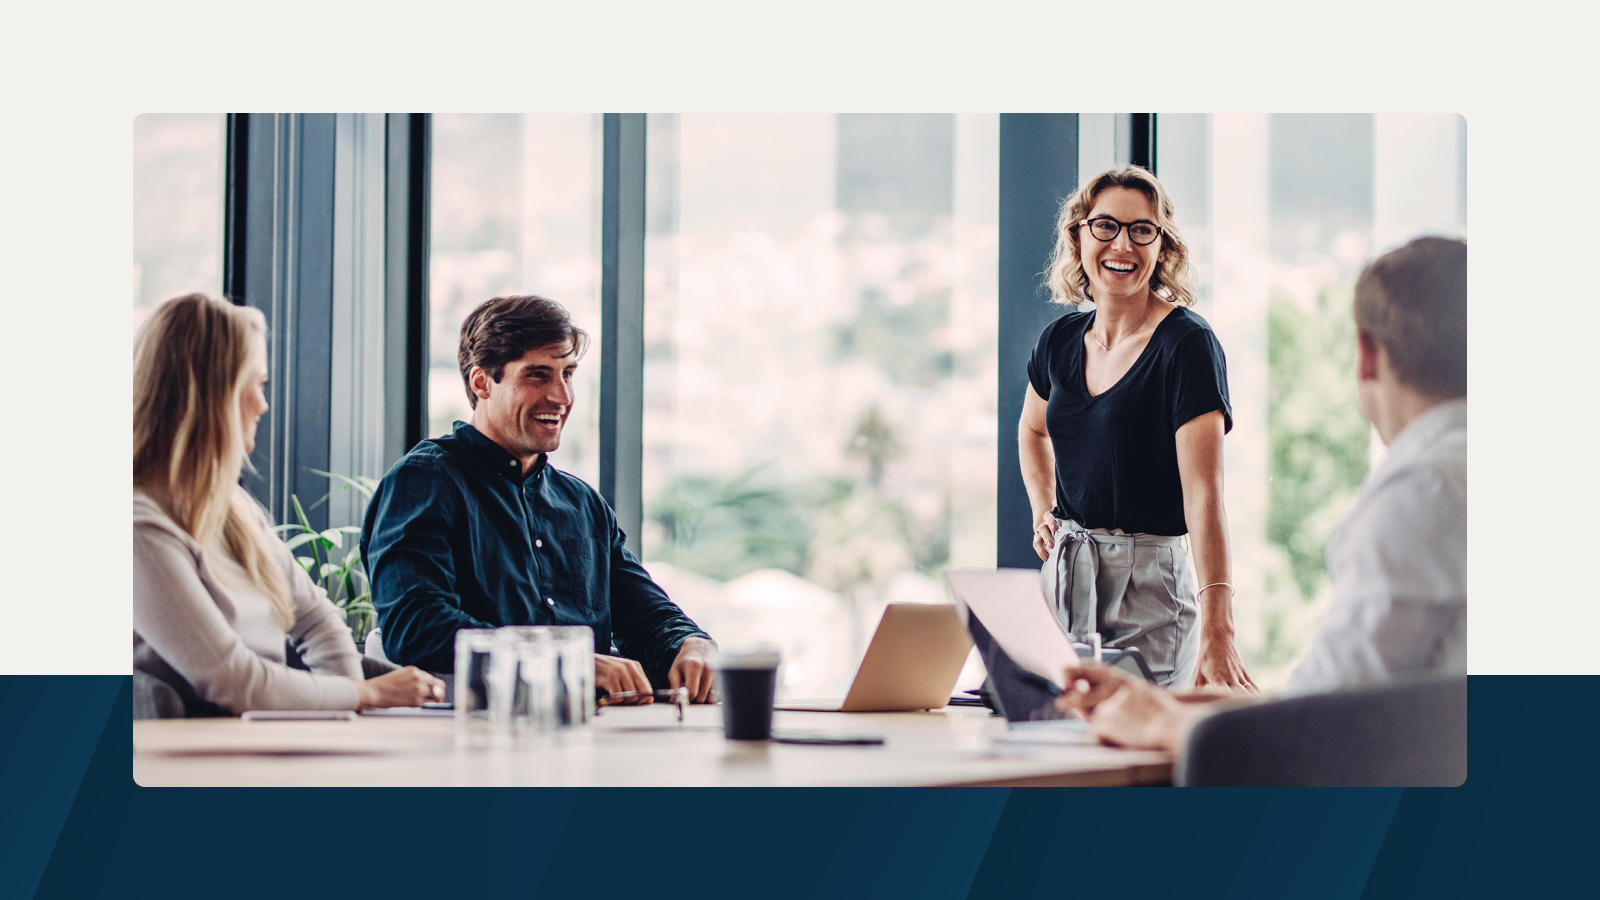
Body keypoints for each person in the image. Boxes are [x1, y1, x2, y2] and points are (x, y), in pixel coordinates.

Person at [1057, 236, 1468, 751]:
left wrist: (1159, 724)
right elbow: (1332, 697)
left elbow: (1320, 730)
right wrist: (1165, 703)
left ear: (1365, 355)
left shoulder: (1422, 494)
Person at [361, 295, 717, 703]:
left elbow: (645, 614)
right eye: (537, 376)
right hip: (471, 739)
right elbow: (416, 627)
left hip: (591, 736)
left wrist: (691, 642)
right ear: (482, 382)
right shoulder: (424, 482)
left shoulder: (582, 503)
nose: (562, 397)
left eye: (568, 374)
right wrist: (565, 660)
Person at [133, 294, 445, 715]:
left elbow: (316, 619)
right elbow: (232, 679)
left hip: (261, 737)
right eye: (256, 385)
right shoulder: (139, 529)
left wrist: (346, 708)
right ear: (213, 395)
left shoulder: (230, 507)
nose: (263, 405)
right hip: (197, 756)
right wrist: (366, 694)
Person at [1020, 165, 1253, 690]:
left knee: (1136, 759)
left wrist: (1220, 627)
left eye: (1141, 229)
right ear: (1079, 236)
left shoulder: (1187, 345)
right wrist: (1042, 508)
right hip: (1064, 577)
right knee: (1057, 750)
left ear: (1162, 246)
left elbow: (1204, 497)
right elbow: (1033, 431)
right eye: (1105, 226)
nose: (1121, 244)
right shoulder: (1058, 341)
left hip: (1149, 588)